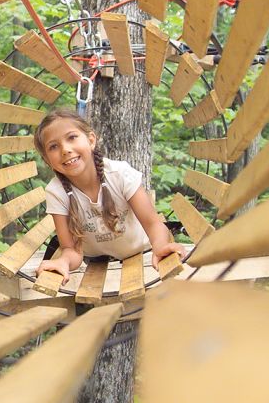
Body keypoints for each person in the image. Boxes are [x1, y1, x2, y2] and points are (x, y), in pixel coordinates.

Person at [33, 108, 184, 284]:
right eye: (53, 146)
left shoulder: (119, 174)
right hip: (97, 261)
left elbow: (153, 224)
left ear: (91, 140)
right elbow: (71, 250)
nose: (65, 149)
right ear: (47, 160)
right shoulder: (57, 192)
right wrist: (63, 262)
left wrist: (161, 247)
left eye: (72, 137)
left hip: (141, 251)